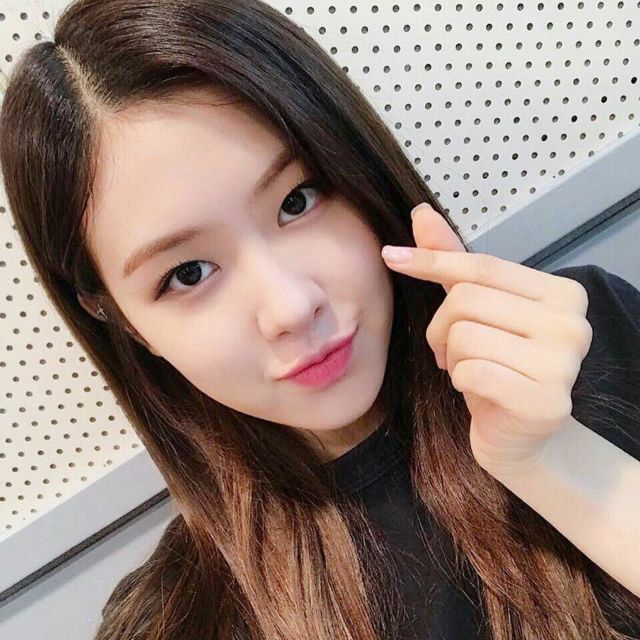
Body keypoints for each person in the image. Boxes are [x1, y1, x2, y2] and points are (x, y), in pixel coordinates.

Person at [0, 1, 638, 638]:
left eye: (297, 201)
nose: (290, 307)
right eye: (189, 273)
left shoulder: (577, 347)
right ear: (123, 322)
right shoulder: (176, 621)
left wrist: (559, 461)